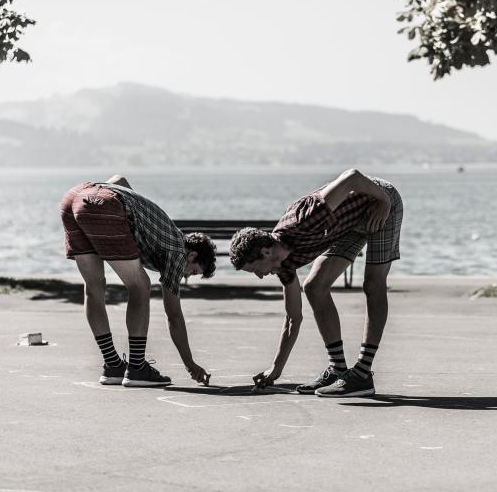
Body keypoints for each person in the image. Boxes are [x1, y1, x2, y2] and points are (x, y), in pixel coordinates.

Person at [229, 169, 403, 397]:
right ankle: (338, 369)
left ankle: (362, 374)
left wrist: (384, 200)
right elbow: (293, 318)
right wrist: (276, 368)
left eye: (254, 269)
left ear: (264, 252)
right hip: (349, 224)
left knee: (373, 283)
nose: (260, 276)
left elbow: (351, 178)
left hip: (378, 201)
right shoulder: (284, 263)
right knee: (314, 287)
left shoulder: (305, 219)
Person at [60, 174, 215, 387]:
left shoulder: (163, 231)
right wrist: (190, 364)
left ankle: (113, 364)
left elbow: (119, 179)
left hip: (73, 198)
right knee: (141, 286)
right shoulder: (178, 251)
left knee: (94, 286)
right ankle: (137, 368)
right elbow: (174, 316)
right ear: (192, 256)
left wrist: (129, 202)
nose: (185, 276)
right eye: (193, 271)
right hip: (104, 204)